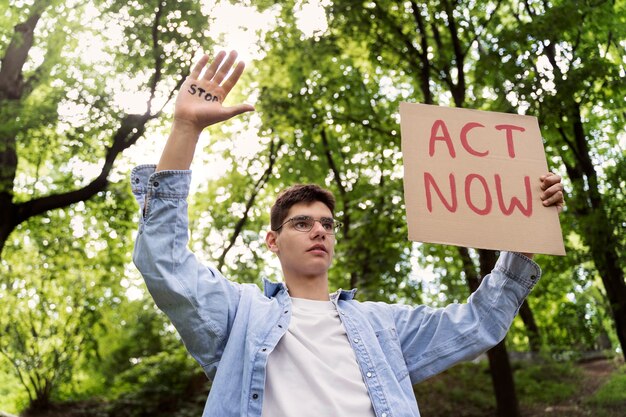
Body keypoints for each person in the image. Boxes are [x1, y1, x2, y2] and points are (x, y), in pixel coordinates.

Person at [131, 51, 565, 417]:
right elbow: (164, 263)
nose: (318, 231)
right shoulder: (239, 315)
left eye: (327, 224)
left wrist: (526, 227)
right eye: (301, 223)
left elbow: (478, 323)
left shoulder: (382, 325)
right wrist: (185, 128)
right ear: (272, 240)